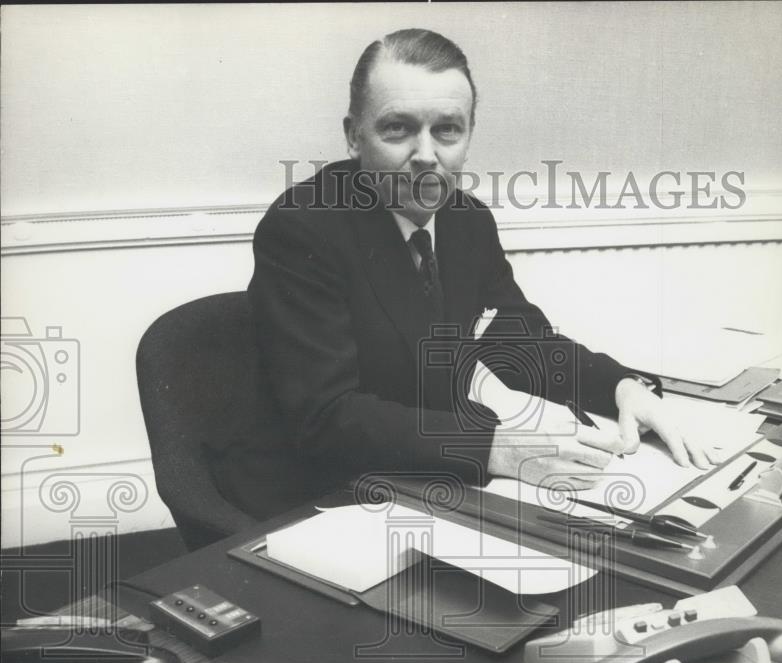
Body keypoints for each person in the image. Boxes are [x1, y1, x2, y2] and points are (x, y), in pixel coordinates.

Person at [224, 28, 716, 519]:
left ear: (468, 137)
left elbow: (522, 340)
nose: (425, 154)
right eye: (397, 128)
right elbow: (327, 419)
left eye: (447, 129)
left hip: (421, 478)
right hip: (315, 494)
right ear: (355, 135)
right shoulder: (302, 227)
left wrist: (624, 388)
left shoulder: (467, 220)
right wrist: (495, 449)